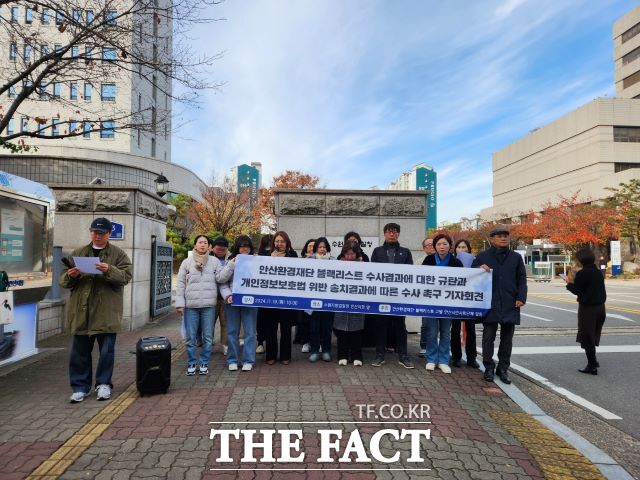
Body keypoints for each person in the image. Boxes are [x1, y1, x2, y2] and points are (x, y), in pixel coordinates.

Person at [60, 217, 132, 403]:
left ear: (109, 234)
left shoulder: (118, 254)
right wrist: (71, 275)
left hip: (106, 312)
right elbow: (63, 281)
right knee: (79, 352)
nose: (97, 236)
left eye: (101, 233)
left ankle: (103, 384)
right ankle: (80, 387)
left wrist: (109, 269)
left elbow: (126, 277)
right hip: (81, 311)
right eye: (94, 232)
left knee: (107, 352)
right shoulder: (78, 253)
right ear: (90, 232)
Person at [473, 226, 527, 384]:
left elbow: (522, 279)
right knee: (488, 336)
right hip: (489, 302)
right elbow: (471, 276)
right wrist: (478, 268)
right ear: (492, 239)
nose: (503, 238)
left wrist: (521, 296)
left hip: (511, 302)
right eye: (499, 236)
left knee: (507, 338)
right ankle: (488, 366)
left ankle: (503, 368)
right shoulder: (482, 256)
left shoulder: (516, 257)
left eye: (505, 236)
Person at [176, 235, 223, 376]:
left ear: (209, 246)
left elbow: (221, 278)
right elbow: (180, 284)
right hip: (191, 305)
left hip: (209, 305)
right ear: (195, 245)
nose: (202, 245)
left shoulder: (214, 262)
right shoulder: (187, 262)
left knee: (208, 337)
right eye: (200, 242)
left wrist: (231, 265)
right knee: (190, 337)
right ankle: (191, 363)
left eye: (205, 243)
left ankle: (204, 362)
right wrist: (180, 303)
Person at [370, 223, 414, 369]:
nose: (392, 234)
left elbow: (410, 274)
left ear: (398, 234)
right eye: (389, 232)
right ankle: (379, 355)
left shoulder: (405, 252)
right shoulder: (377, 252)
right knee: (380, 325)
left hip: (399, 296)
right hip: (381, 296)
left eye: (395, 232)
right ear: (384, 234)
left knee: (400, 326)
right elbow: (372, 273)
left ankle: (403, 356)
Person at [422, 233, 462, 374]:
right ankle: (431, 359)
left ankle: (444, 361)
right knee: (432, 333)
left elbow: (463, 282)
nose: (441, 247)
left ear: (450, 246)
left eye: (444, 244)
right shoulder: (428, 260)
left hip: (448, 303)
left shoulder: (456, 262)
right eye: (438, 244)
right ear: (435, 247)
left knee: (445, 333)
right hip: (431, 302)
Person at [564, 247, 606, 375]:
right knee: (592, 335)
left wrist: (568, 283)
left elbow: (577, 289)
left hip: (588, 309)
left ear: (581, 259)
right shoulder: (598, 272)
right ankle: (593, 361)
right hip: (600, 308)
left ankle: (592, 365)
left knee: (587, 337)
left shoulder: (583, 273)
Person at [218, 236, 258, 372]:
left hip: (251, 302)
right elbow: (221, 280)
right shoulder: (230, 261)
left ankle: (248, 360)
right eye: (242, 246)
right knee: (232, 332)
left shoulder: (256, 261)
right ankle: (232, 360)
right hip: (232, 302)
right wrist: (228, 295)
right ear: (237, 247)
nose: (244, 248)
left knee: (250, 332)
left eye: (247, 246)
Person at [264, 231, 298, 365]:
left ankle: (285, 356)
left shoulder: (293, 255)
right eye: (277, 241)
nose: (279, 244)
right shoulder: (267, 256)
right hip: (271, 298)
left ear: (287, 243)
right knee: (270, 328)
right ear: (273, 243)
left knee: (286, 329)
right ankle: (270, 355)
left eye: (282, 241)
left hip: (287, 298)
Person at [333, 241, 365, 366]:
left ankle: (357, 356)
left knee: (356, 332)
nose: (350, 256)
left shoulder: (364, 265)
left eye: (352, 254)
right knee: (342, 332)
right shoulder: (338, 265)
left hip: (357, 301)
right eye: (347, 254)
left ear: (357, 254)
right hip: (341, 301)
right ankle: (342, 355)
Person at [450, 238, 479, 368]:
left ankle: (471, 358)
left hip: (469, 301)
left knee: (470, 330)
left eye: (464, 247)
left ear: (469, 249)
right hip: (455, 300)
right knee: (454, 330)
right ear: (455, 250)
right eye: (459, 247)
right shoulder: (451, 262)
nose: (462, 250)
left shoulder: (475, 262)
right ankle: (456, 357)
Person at [306, 237, 335, 362]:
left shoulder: (334, 261)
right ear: (316, 248)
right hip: (313, 300)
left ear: (327, 248)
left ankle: (326, 350)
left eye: (324, 247)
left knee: (327, 327)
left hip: (328, 300)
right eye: (320, 247)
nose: (322, 249)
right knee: (314, 327)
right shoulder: (308, 260)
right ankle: (314, 350)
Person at [295, 238, 316, 353]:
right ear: (306, 248)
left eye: (314, 246)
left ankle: (317, 342)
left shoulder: (324, 261)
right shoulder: (300, 261)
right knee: (304, 321)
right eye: (310, 246)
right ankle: (306, 342)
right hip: (304, 296)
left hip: (317, 296)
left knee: (316, 321)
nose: (312, 248)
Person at [211, 236, 230, 355]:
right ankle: (208, 344)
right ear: (212, 248)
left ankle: (225, 345)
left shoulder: (231, 259)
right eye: (218, 248)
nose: (221, 251)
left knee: (225, 323)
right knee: (209, 323)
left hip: (226, 297)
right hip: (211, 297)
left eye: (223, 249)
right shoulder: (207, 259)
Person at [255, 234, 273, 354]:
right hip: (261, 293)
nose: (268, 248)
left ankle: (269, 342)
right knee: (261, 318)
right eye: (267, 245)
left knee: (270, 321)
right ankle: (260, 342)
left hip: (274, 293)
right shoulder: (257, 256)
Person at [419, 238, 435, 356]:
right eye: (428, 245)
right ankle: (424, 345)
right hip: (426, 297)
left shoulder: (445, 259)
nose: (432, 246)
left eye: (433, 244)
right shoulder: (419, 261)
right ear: (424, 248)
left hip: (443, 298)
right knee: (426, 323)